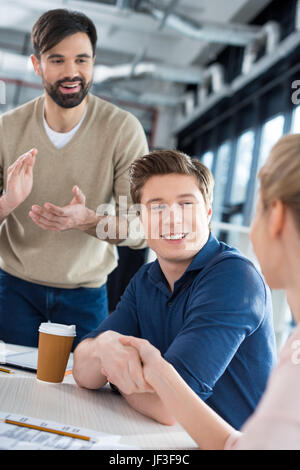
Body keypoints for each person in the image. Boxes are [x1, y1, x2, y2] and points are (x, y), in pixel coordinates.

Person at [116, 135, 300, 450]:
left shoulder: (236, 278)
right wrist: (152, 373)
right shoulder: (294, 348)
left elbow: (165, 408)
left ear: (277, 218)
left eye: (255, 211)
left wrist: (135, 370)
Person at [73, 149, 276, 429]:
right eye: (157, 207)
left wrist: (117, 378)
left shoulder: (235, 279)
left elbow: (170, 409)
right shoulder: (146, 279)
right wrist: (104, 346)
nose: (172, 219)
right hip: (166, 438)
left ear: (207, 212)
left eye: (186, 204)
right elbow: (83, 373)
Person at [0, 9, 148, 349]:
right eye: (57, 60)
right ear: (37, 65)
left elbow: (140, 228)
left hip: (86, 295)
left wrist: (91, 222)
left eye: (82, 60)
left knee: (81, 395)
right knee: (9, 394)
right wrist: (8, 202)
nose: (71, 72)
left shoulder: (122, 131)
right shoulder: (7, 130)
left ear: (94, 62)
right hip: (13, 289)